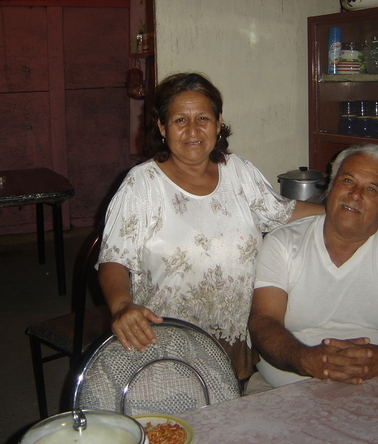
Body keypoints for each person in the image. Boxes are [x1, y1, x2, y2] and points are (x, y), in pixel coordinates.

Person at [97, 72, 323, 380]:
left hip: (233, 341)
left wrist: (341, 214)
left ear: (218, 124)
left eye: (202, 118)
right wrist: (122, 306)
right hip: (167, 343)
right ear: (162, 127)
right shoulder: (142, 185)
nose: (192, 130)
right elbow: (114, 258)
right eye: (180, 120)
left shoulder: (239, 172)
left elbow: (283, 212)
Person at [248, 143, 378, 390]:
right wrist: (307, 360)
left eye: (372, 189)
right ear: (330, 187)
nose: (355, 195)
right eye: (348, 181)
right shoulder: (283, 241)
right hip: (291, 385)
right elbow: (263, 321)